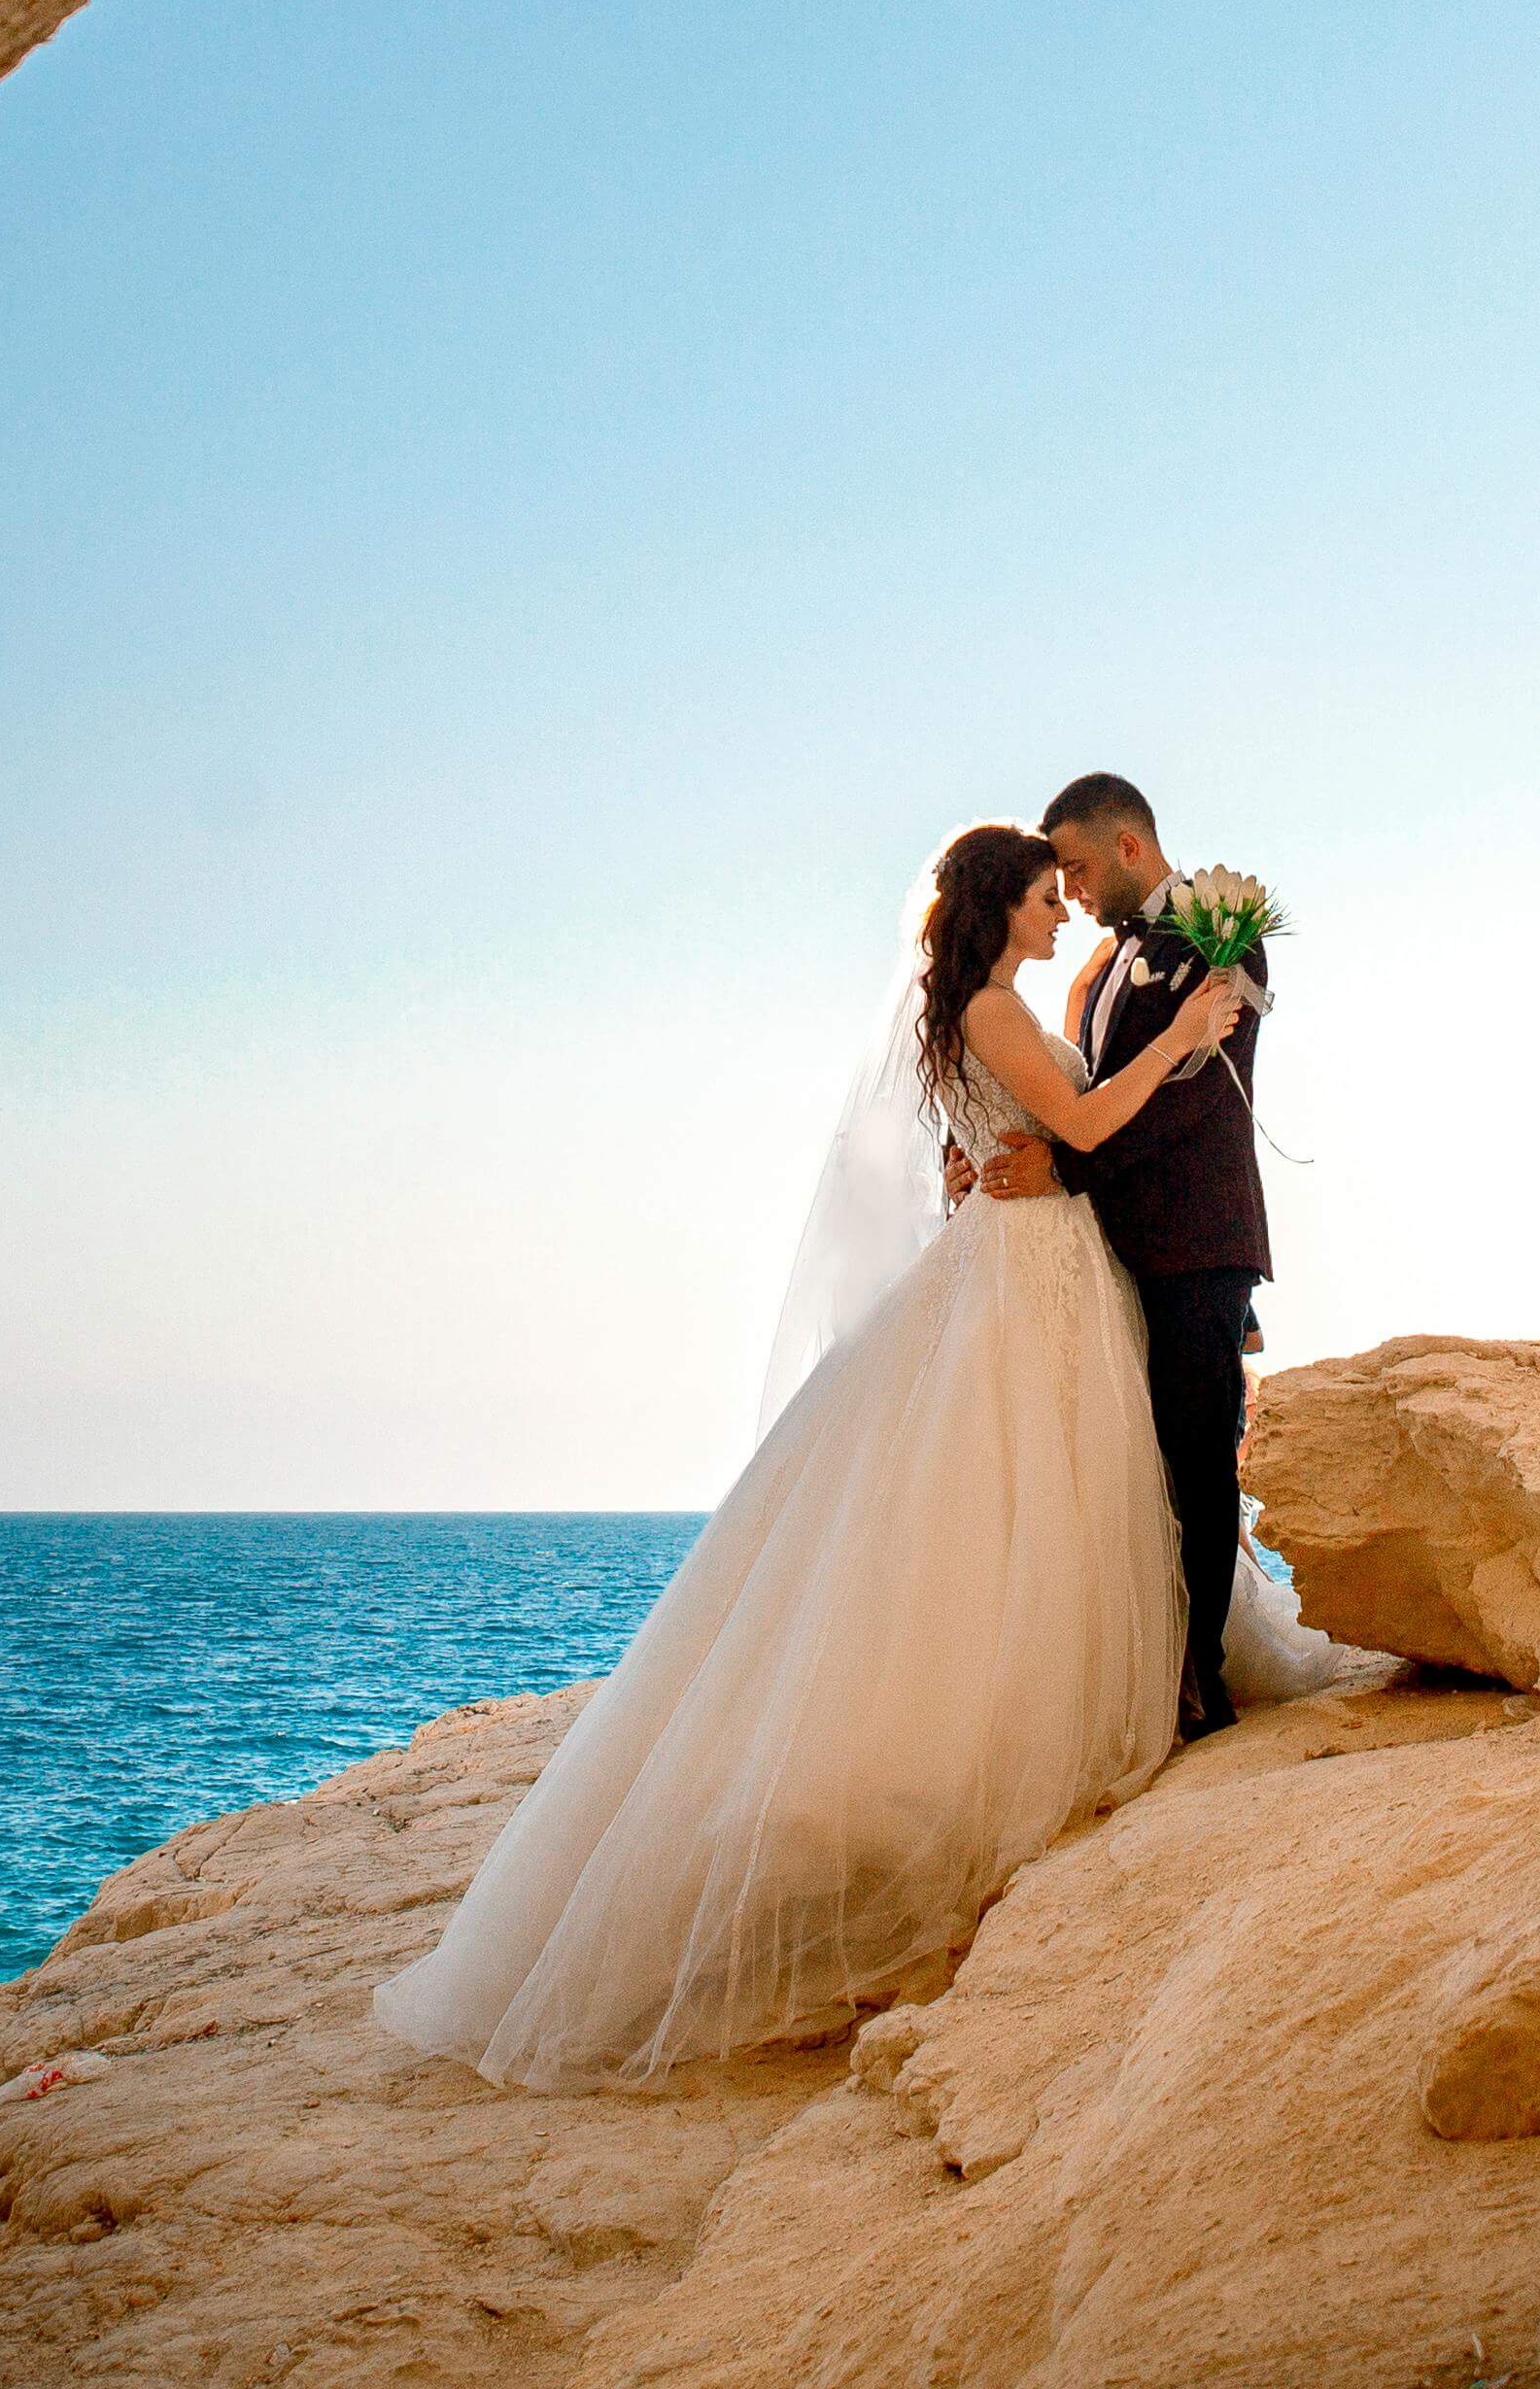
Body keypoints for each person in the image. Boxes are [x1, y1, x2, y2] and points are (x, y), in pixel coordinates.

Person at [369, 824, 1247, 2089]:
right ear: (1002, 905)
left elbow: (1009, 1149)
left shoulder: (976, 1010)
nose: (1064, 916)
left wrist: (1014, 1154)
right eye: (1048, 899)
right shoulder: (999, 1011)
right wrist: (1179, 1040)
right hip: (1027, 1269)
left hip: (1031, 1258)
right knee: (1022, 1499)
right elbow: (1088, 1126)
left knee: (1036, 1498)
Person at [1017, 771, 1280, 1743]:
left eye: (1080, 872)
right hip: (1112, 1251)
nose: (1075, 895)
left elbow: (1199, 1095)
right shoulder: (1098, 972)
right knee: (1130, 1461)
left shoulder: (1228, 933)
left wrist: (1070, 1165)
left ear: (1128, 846)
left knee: (1198, 1456)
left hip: (1196, 1245)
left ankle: (1202, 1680)